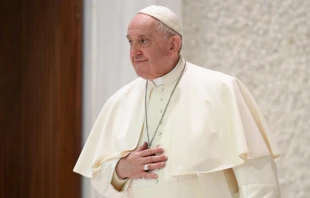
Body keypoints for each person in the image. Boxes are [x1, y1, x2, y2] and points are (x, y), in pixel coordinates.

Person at [74, 5, 281, 198]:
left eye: (143, 41)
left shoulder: (222, 89)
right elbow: (98, 176)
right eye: (131, 41)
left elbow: (257, 178)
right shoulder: (119, 102)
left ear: (173, 45)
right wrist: (121, 169)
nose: (134, 51)